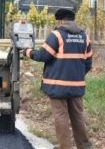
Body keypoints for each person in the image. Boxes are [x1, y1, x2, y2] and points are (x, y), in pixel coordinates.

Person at [22, 9, 93, 149]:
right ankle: (84, 145)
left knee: (61, 116)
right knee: (77, 115)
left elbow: (44, 56)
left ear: (60, 20)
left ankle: (65, 146)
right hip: (77, 85)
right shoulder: (84, 37)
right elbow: (88, 63)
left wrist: (27, 51)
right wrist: (76, 77)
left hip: (57, 85)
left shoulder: (57, 35)